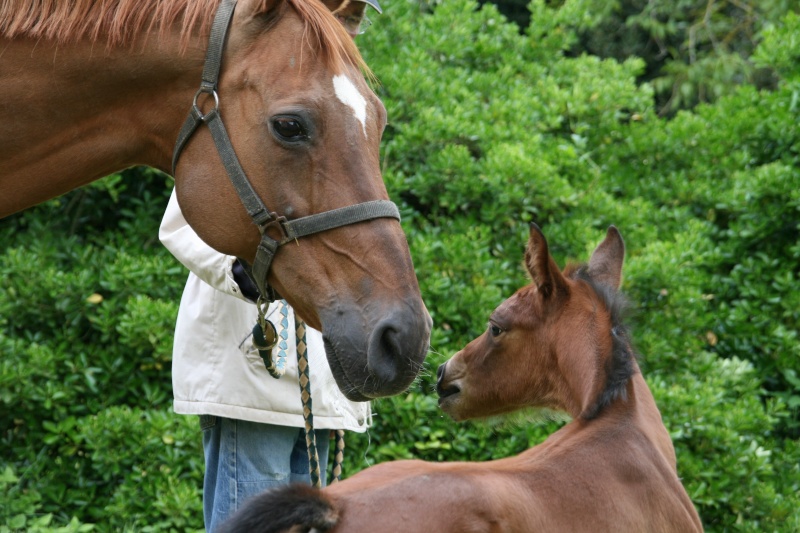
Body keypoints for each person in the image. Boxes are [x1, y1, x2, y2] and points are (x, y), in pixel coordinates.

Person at [159, 1, 382, 530]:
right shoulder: (251, 121)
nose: (346, 24)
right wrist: (244, 275)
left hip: (323, 384)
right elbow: (180, 224)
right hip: (250, 374)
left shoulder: (340, 119)